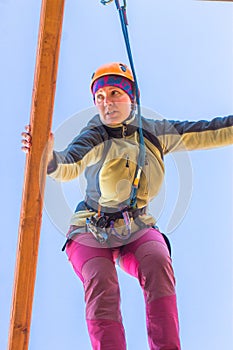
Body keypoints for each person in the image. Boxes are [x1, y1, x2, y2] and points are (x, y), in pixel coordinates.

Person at [21, 62, 233, 350]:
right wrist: (48, 158)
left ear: (131, 97)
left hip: (135, 227)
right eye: (100, 97)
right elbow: (69, 163)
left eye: (115, 93)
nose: (107, 103)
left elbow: (211, 131)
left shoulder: (154, 132)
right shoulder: (96, 133)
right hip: (91, 228)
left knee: (157, 262)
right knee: (101, 279)